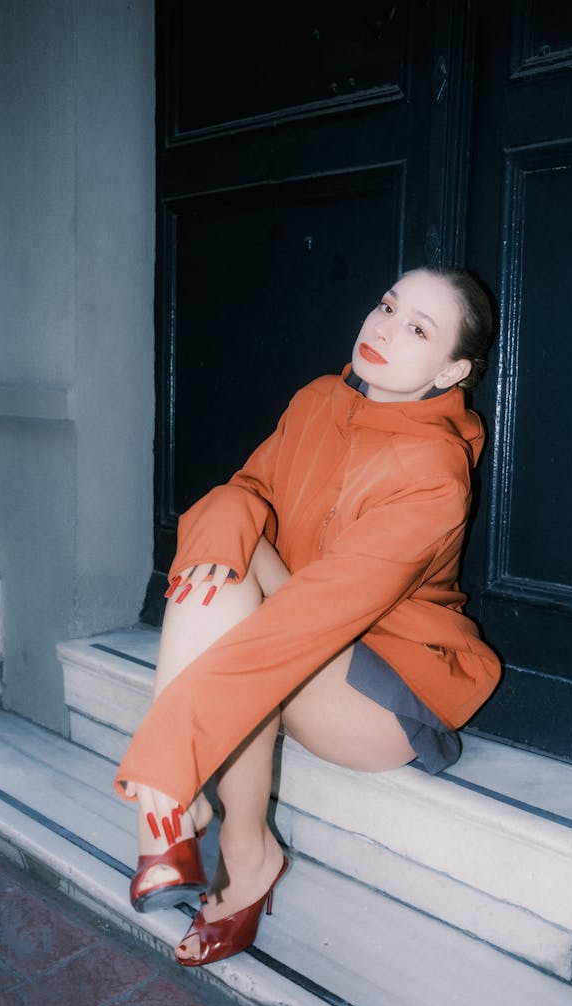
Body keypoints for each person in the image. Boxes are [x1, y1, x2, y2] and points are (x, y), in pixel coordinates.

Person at [115, 266, 501, 966]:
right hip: (299, 633)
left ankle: (199, 826)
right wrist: (227, 519)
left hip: (385, 694)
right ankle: (233, 843)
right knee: (227, 525)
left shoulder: (435, 471)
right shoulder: (317, 401)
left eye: (418, 328)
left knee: (251, 617)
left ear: (452, 370)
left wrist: (173, 753)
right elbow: (248, 495)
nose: (383, 327)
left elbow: (312, 619)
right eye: (387, 305)